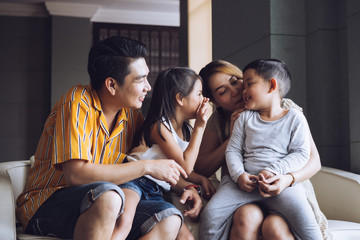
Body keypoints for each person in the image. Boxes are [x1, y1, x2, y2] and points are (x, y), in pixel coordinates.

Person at [16, 36, 202, 240]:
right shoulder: (77, 103)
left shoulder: (131, 116)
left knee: (170, 218)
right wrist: (146, 167)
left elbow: (152, 161)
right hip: (47, 204)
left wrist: (188, 187)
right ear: (112, 85)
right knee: (109, 196)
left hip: (106, 202)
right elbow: (76, 175)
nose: (148, 87)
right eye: (140, 80)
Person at [195, 60, 330, 240]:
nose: (236, 91)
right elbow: (202, 167)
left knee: (275, 228)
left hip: (283, 184)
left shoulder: (288, 110)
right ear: (215, 102)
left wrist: (286, 178)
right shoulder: (220, 120)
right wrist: (232, 138)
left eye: (236, 81)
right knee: (245, 218)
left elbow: (311, 159)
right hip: (242, 187)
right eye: (222, 91)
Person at [113, 67, 213, 240]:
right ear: (180, 99)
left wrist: (200, 180)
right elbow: (185, 165)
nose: (204, 99)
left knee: (186, 237)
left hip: (157, 189)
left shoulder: (186, 131)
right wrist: (200, 127)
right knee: (123, 224)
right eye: (198, 94)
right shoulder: (159, 126)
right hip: (134, 180)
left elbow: (182, 170)